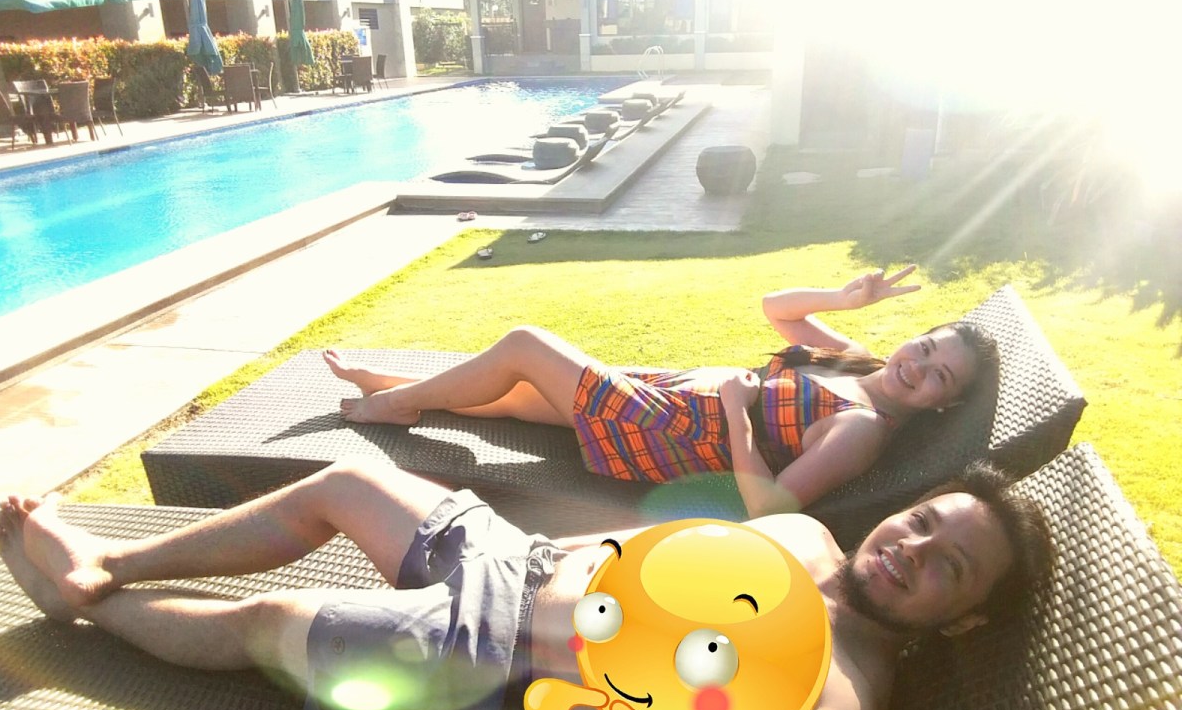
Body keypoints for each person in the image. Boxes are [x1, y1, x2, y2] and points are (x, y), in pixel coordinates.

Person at [0, 459, 1052, 710]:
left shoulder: (847, 687)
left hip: (485, 669)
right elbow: (701, 525)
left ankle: (87, 609)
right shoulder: (811, 535)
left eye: (945, 567)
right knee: (345, 482)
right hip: (518, 557)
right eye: (923, 522)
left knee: (270, 621)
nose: (909, 549)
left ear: (960, 622)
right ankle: (109, 561)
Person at [323, 266, 1000, 517]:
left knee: (526, 347)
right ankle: (402, 391)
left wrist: (736, 411)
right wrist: (844, 300)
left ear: (942, 402)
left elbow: (770, 506)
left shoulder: (862, 427)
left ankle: (391, 403)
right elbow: (777, 308)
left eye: (940, 375)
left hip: (674, 436)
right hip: (673, 398)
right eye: (927, 348)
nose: (919, 367)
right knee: (518, 395)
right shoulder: (858, 362)